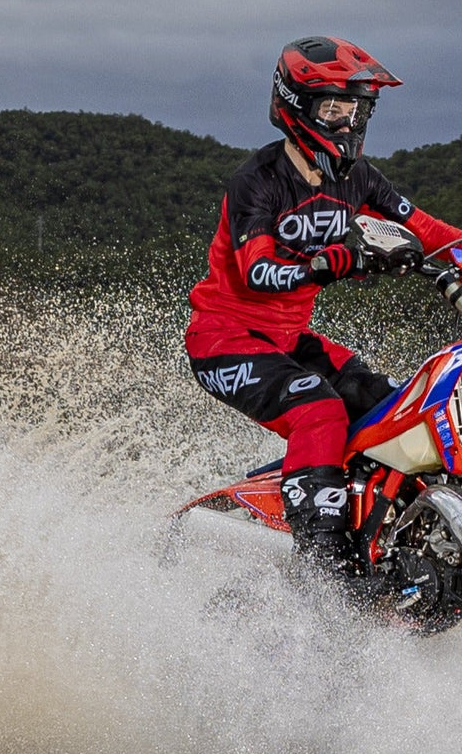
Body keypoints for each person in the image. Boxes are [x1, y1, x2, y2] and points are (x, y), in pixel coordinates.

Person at [184, 36, 462, 575]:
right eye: (333, 108)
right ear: (294, 106)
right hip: (224, 340)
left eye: (356, 109)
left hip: (289, 340)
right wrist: (330, 262)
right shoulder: (257, 182)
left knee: (392, 408)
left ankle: (397, 539)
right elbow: (259, 273)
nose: (347, 122)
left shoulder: (359, 178)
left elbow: (434, 234)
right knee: (319, 410)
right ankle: (323, 564)